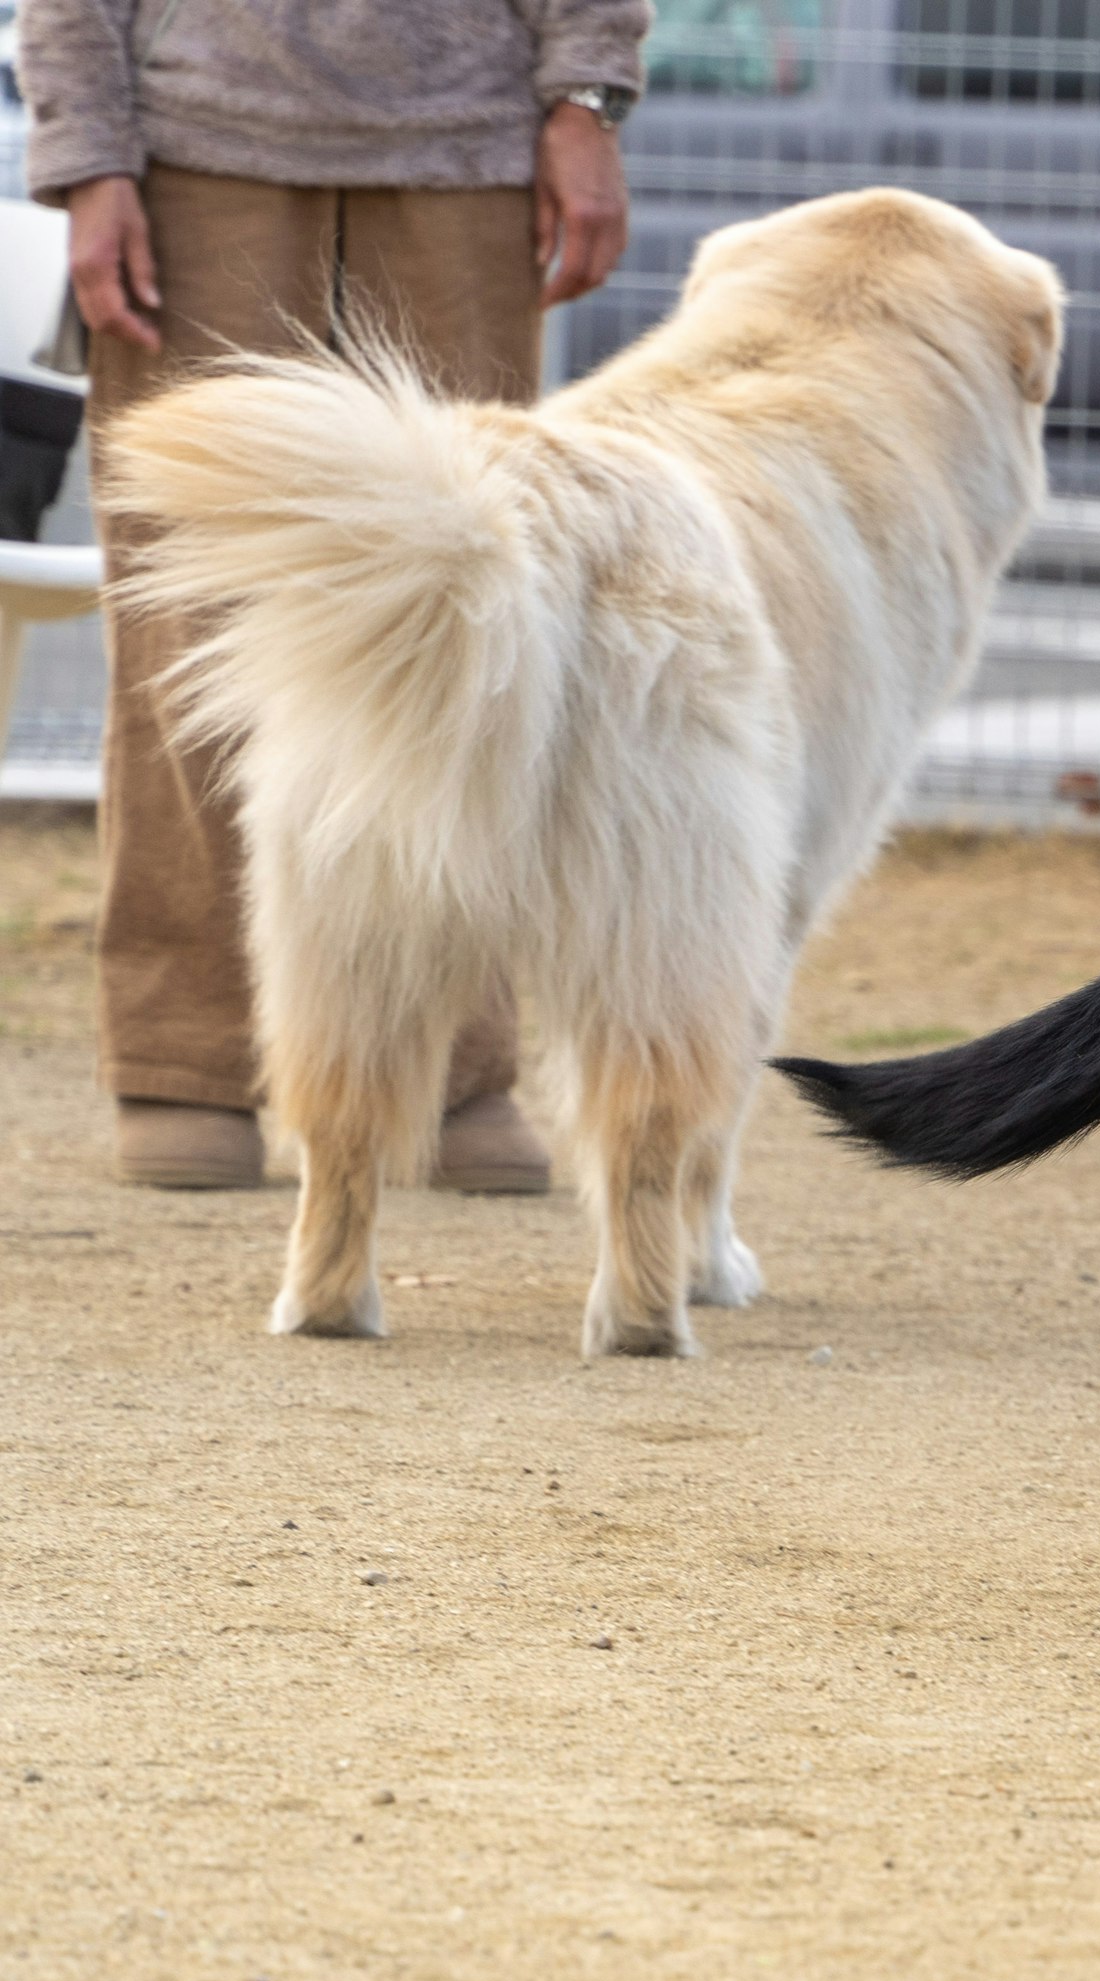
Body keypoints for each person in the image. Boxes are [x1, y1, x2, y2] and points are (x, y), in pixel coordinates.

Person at [21, 0, 647, 1191]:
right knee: (191, 622)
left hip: (465, 150)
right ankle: (184, 1057)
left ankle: (457, 1066)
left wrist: (588, 96)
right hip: (194, 149)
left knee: (466, 617)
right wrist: (88, 157)